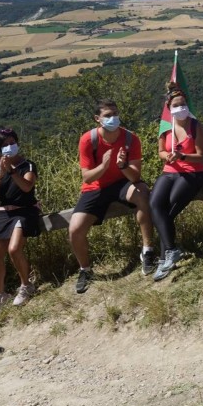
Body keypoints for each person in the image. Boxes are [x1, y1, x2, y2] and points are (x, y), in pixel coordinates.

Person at [69, 99, 157, 293]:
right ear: (97, 119)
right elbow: (87, 176)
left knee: (143, 193)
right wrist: (104, 166)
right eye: (108, 115)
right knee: (75, 229)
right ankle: (85, 270)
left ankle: (147, 251)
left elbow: (135, 176)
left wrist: (122, 166)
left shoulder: (130, 139)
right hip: (95, 188)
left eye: (115, 114)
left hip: (122, 183)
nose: (113, 118)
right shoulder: (88, 140)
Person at [149, 84, 203, 282]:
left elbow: (201, 156)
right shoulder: (166, 128)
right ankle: (171, 251)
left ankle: (164, 258)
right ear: (169, 107)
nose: (181, 107)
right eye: (176, 105)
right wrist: (168, 155)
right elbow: (160, 151)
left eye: (183, 104)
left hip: (193, 172)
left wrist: (182, 156)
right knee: (154, 204)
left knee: (167, 211)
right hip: (170, 171)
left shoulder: (196, 126)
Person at [0, 128, 40, 316]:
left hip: (23, 211)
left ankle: (26, 285)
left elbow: (26, 187)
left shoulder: (28, 165)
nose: (9, 147)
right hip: (2, 214)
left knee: (14, 249)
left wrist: (12, 171)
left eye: (11, 142)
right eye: (5, 145)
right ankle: (0, 294)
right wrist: (1, 173)